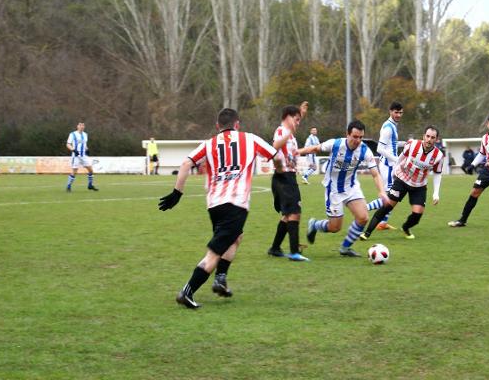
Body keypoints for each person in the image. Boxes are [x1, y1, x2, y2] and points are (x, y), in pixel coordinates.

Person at [158, 108, 281, 310]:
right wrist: (281, 182)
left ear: (218, 126)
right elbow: (276, 156)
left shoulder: (209, 144)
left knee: (235, 237)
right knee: (214, 253)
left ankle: (220, 279)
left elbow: (185, 163)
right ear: (237, 124)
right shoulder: (250, 139)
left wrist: (177, 193)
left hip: (214, 205)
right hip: (236, 204)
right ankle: (187, 291)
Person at [305, 120, 388, 257]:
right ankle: (315, 225)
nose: (358, 140)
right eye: (355, 136)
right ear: (348, 134)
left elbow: (375, 174)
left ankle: (345, 248)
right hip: (334, 189)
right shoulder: (336, 144)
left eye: (361, 137)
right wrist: (297, 152)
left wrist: (381, 191)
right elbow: (315, 148)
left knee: (363, 217)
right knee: (335, 227)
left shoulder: (364, 150)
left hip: (351, 187)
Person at [360, 126, 443, 241]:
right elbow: (401, 158)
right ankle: (367, 233)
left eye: (432, 137)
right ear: (423, 136)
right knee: (387, 207)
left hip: (419, 186)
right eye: (427, 136)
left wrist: (436, 193)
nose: (429, 139)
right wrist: (395, 171)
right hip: (402, 180)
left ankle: (406, 227)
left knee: (417, 214)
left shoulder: (438, 155)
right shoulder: (412, 144)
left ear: (436, 139)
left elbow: (437, 173)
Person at [267, 101, 310, 261]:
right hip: (284, 177)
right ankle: (294, 252)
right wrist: (289, 130)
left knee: (287, 215)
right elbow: (275, 146)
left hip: (287, 177)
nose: (298, 123)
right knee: (295, 213)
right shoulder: (281, 131)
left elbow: (293, 120)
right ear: (287, 117)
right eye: (296, 119)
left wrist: (300, 113)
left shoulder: (289, 132)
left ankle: (275, 248)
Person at [366, 102, 404, 231]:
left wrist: (405, 144)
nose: (398, 115)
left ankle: (382, 223)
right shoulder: (388, 127)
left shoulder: (392, 126)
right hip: (388, 166)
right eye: (396, 112)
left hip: (390, 165)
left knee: (392, 196)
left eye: (400, 112)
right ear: (390, 111)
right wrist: (397, 160)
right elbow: (380, 148)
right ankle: (362, 209)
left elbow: (391, 144)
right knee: (389, 197)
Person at [66, 121, 99, 192]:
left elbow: (84, 144)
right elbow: (68, 144)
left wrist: (87, 149)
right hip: (76, 155)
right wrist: (73, 150)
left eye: (83, 125)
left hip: (84, 155)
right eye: (80, 125)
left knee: (90, 170)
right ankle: (68, 186)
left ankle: (90, 185)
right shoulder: (73, 134)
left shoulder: (85, 134)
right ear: (77, 126)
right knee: (75, 171)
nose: (82, 127)